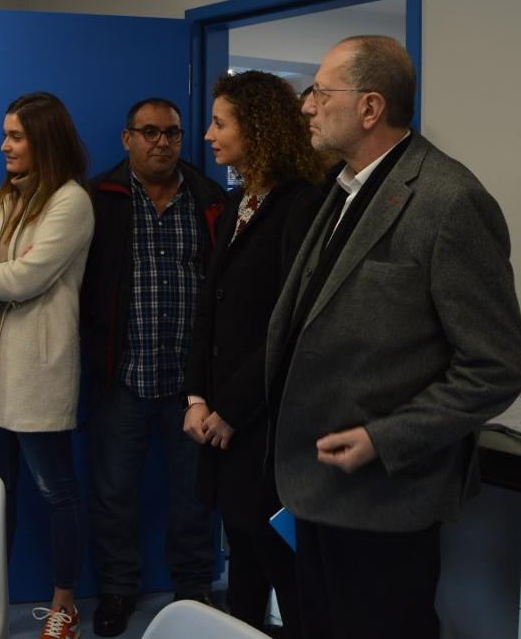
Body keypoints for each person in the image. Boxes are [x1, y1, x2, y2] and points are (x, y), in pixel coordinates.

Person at [267, 36, 521, 638]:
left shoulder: (449, 201)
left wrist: (384, 439)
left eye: (319, 92)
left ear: (369, 108)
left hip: (384, 496)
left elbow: (497, 366)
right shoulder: (341, 188)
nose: (306, 106)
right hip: (313, 486)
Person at [182, 72, 325, 638]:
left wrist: (231, 409)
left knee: (282, 566)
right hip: (220, 420)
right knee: (241, 558)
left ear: (257, 127)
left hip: (264, 427)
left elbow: (289, 326)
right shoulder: (239, 199)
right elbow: (210, 306)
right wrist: (196, 395)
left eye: (220, 123)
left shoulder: (302, 204)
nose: (209, 136)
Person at [80, 97, 224, 637]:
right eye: (149, 133)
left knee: (194, 496)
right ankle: (118, 591)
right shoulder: (100, 198)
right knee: (114, 493)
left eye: (172, 134)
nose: (161, 143)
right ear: (127, 139)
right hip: (122, 376)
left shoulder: (209, 199)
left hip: (191, 385)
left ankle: (195, 592)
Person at [0, 92, 94, 639]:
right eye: (5, 134)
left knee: (55, 488)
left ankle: (65, 605)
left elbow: (21, 279)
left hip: (35, 365)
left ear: (44, 139)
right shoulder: (4, 195)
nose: (4, 145)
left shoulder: (71, 202)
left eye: (15, 136)